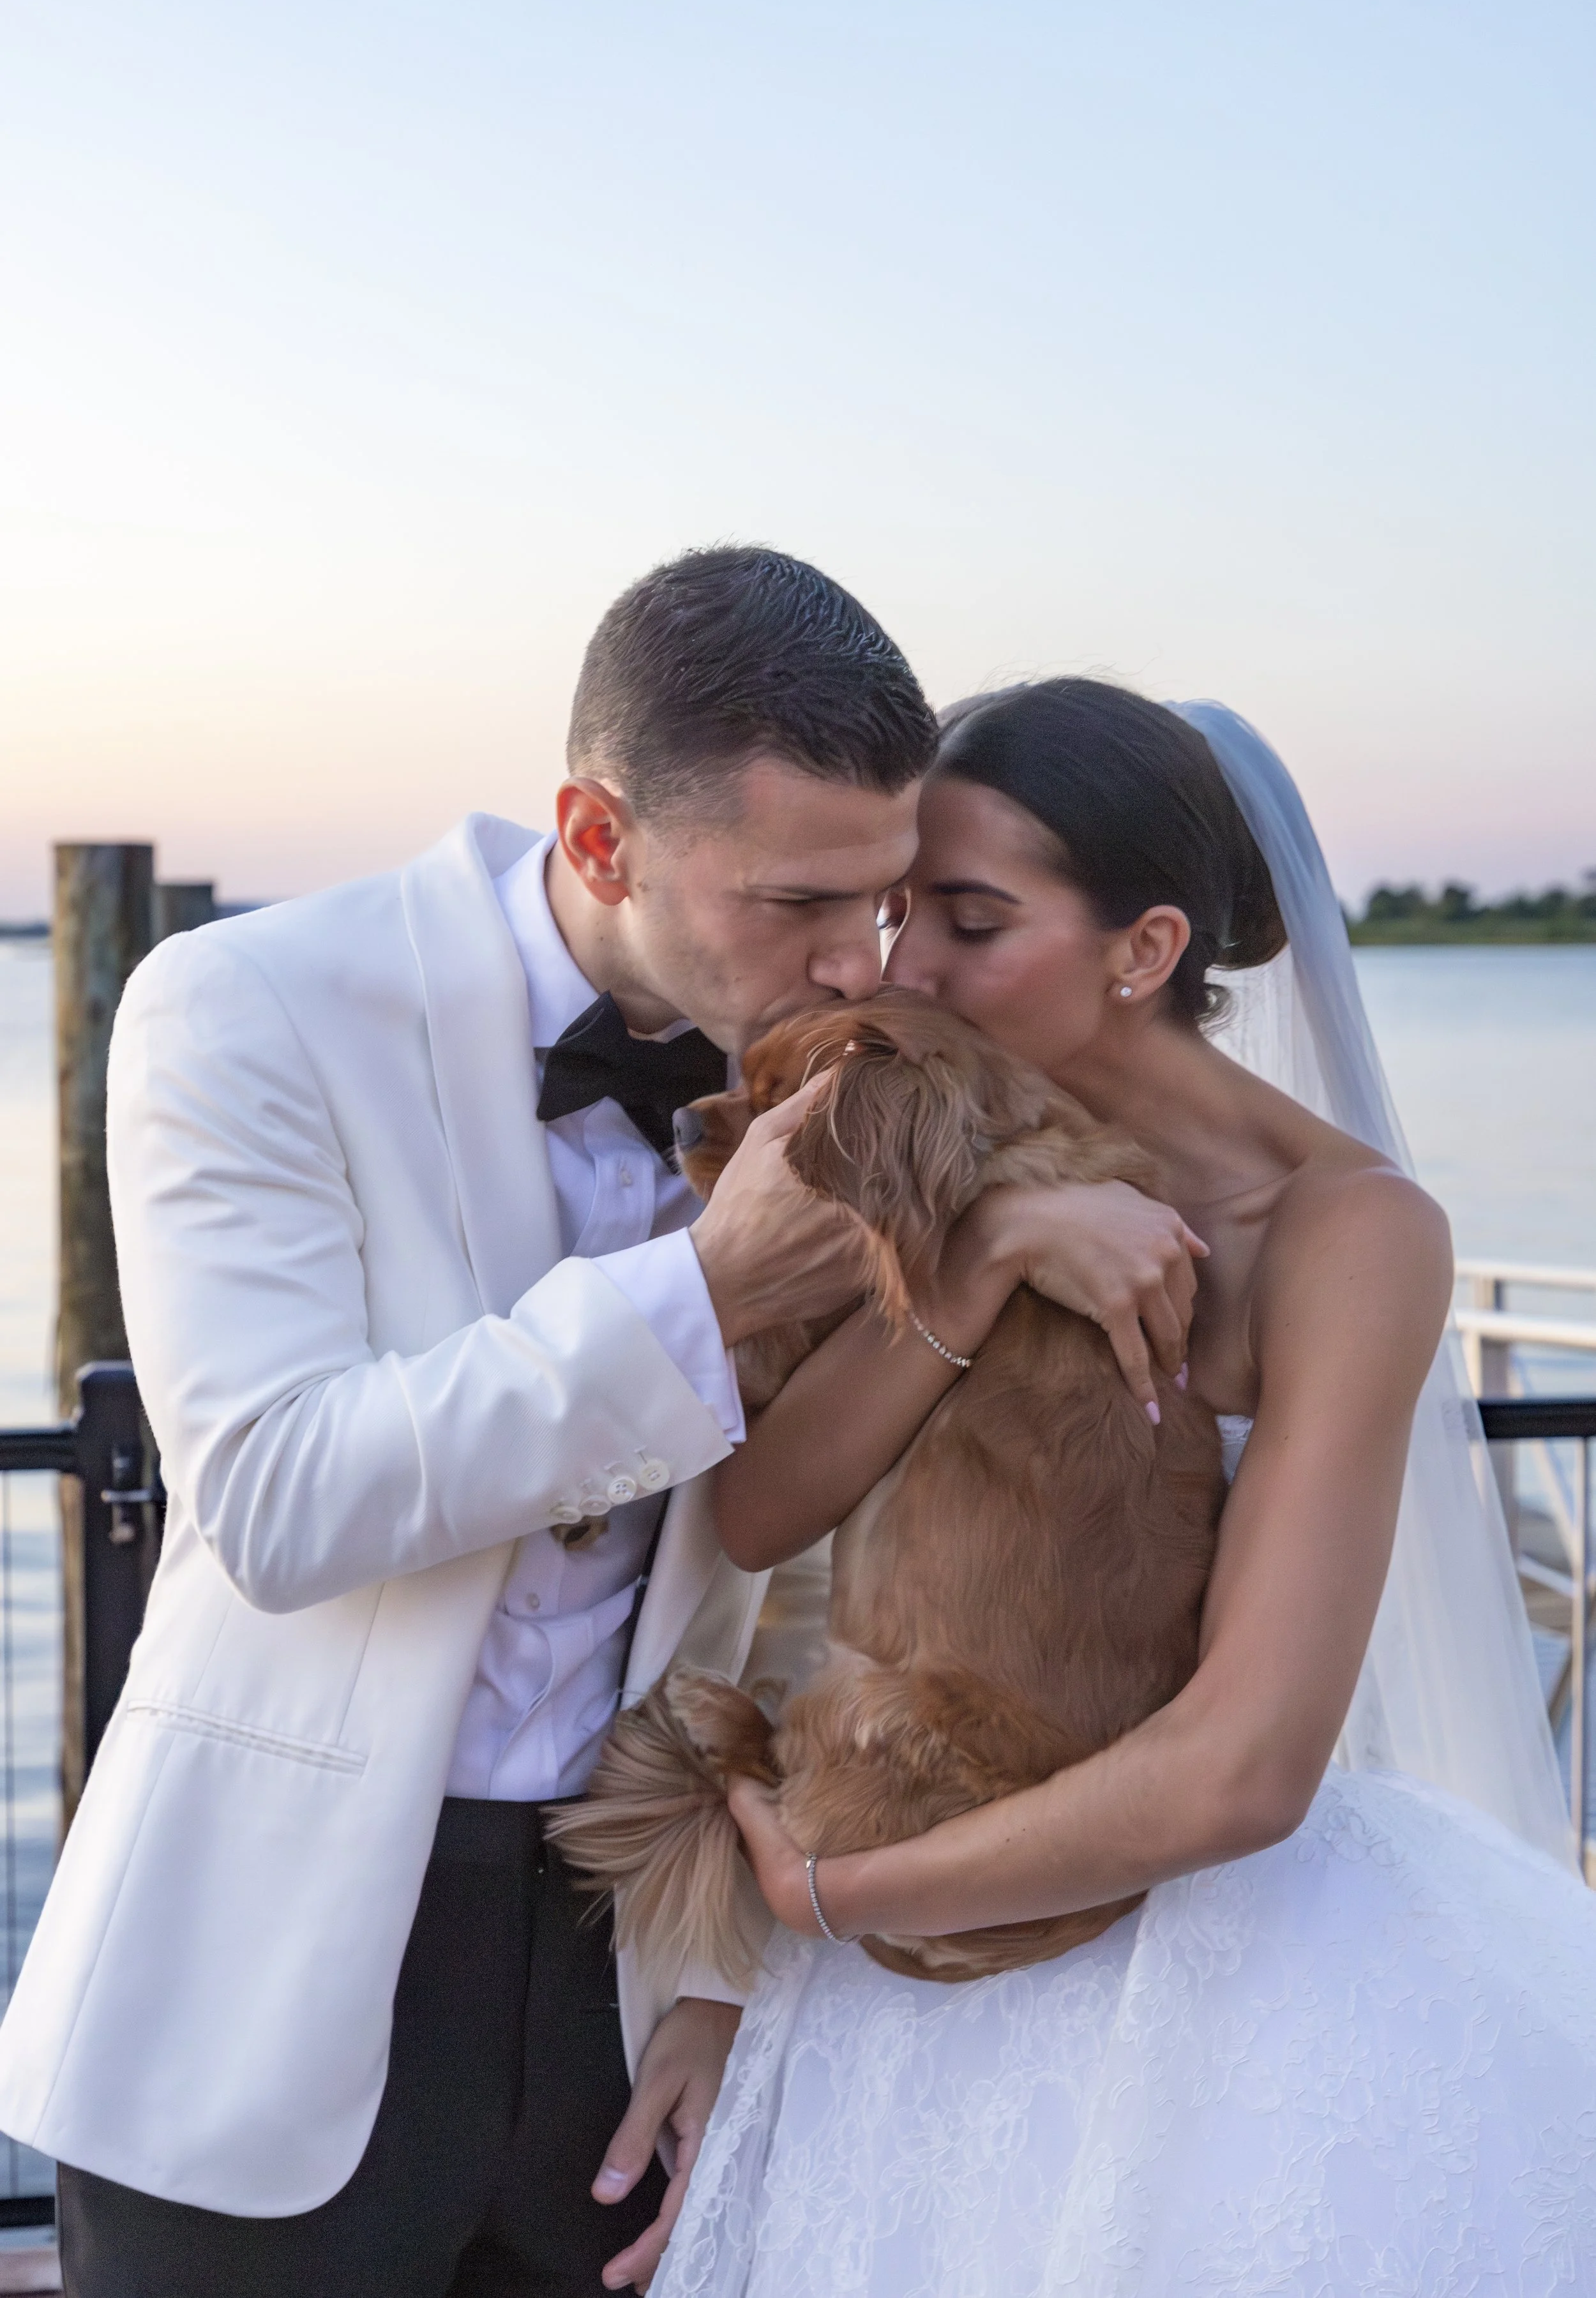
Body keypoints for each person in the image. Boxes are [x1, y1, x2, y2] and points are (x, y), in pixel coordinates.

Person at [0, 557, 1195, 2298]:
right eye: (796, 900)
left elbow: (813, 1557)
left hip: (628, 1971)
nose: (852, 962)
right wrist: (700, 1290)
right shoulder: (241, 1006)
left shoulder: (850, 1071)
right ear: (597, 830)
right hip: (259, 1982)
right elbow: (275, 1497)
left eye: (879, 901)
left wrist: (723, 1980)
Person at [658, 680, 1596, 2298]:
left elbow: (1242, 1765)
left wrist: (827, 1895)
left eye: (967, 920)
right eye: (896, 917)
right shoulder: (932, 1148)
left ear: (1144, 951)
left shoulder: (1346, 1235)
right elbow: (752, 1516)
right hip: (892, 1962)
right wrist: (984, 1261)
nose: (905, 972)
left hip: (1209, 1971)